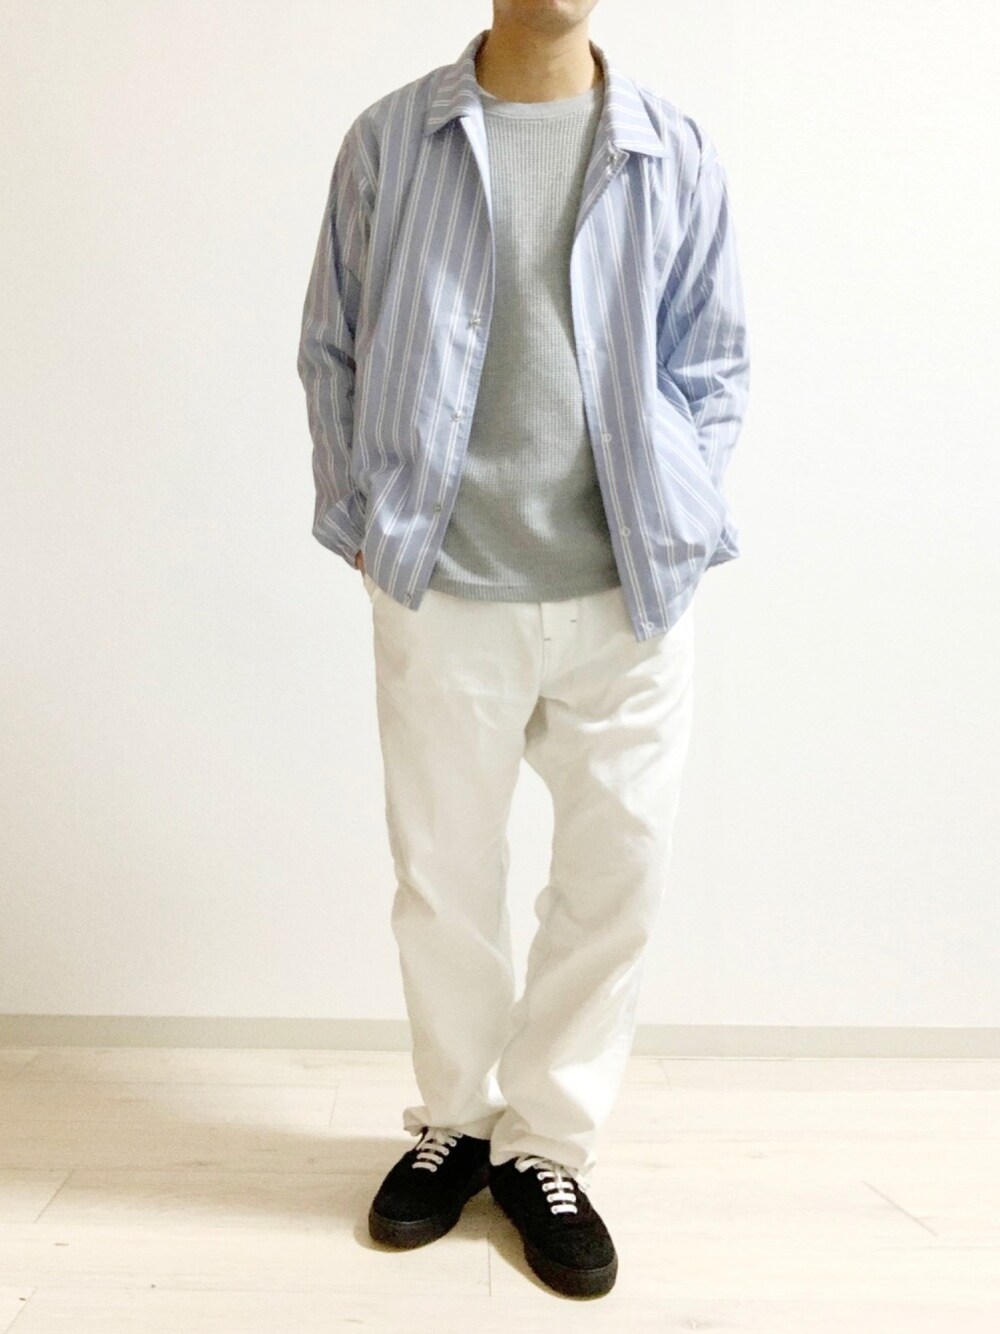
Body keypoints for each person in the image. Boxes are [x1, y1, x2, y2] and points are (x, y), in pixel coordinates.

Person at [296, 0, 749, 1301]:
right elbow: (331, 345)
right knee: (445, 873)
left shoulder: (674, 150)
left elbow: (714, 363)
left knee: (618, 878)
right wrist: (365, 524)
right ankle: (456, 1122)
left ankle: (545, 1145)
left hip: (627, 592)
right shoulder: (392, 141)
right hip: (445, 584)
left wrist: (683, 514)